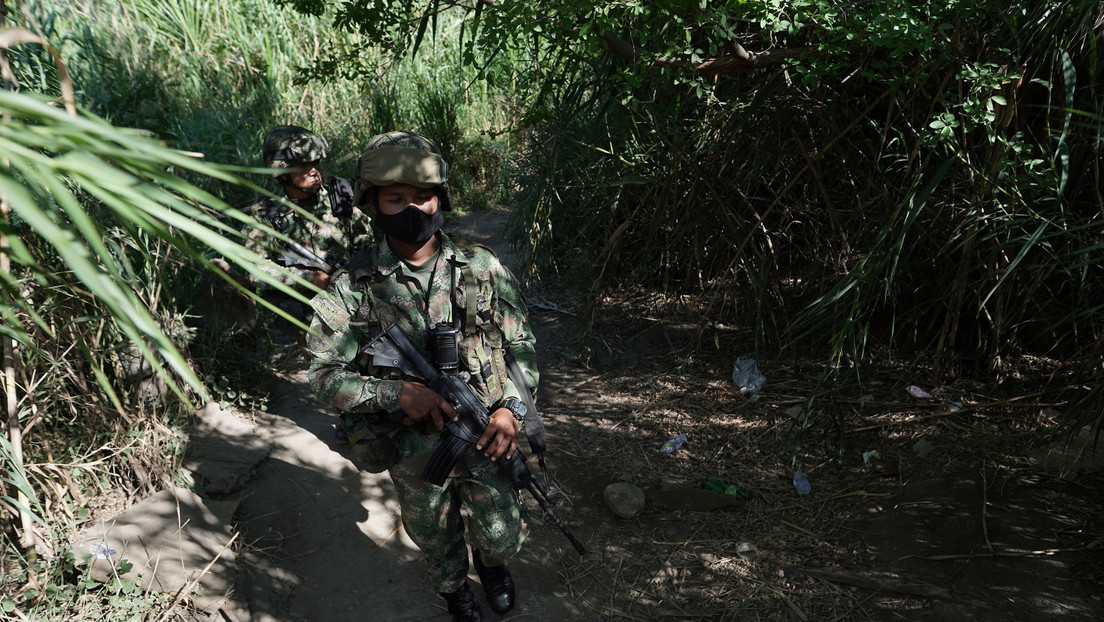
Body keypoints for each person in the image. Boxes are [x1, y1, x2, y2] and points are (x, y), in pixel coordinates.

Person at [306, 131, 537, 621]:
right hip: (413, 445)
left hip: (486, 430)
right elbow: (323, 375)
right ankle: (454, 592)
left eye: (423, 196)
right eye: (396, 198)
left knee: (501, 531)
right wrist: (395, 394)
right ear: (372, 203)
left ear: (441, 198)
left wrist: (512, 410)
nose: (412, 208)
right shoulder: (354, 286)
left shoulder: (481, 266)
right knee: (433, 534)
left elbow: (520, 346)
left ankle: (492, 567)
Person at [241, 125, 373, 339]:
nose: (314, 171)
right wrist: (307, 278)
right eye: (303, 166)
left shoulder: (339, 201)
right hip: (297, 315)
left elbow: (366, 246)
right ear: (281, 173)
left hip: (346, 300)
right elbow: (255, 270)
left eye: (315, 164)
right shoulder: (268, 215)